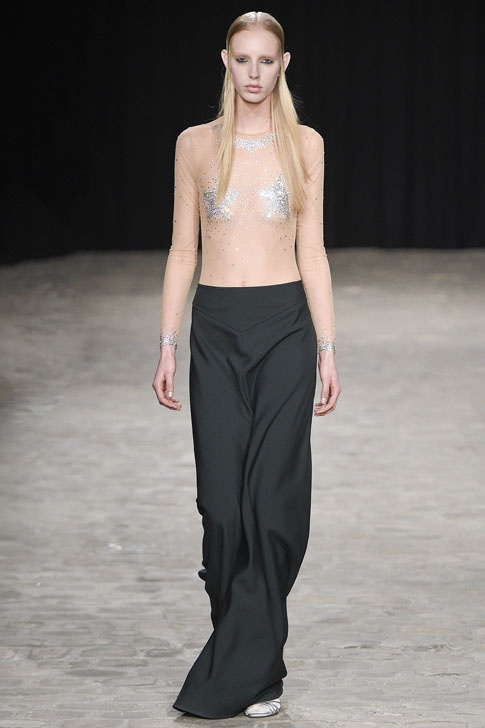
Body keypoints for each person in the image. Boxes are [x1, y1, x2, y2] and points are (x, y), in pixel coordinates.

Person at [152, 9, 340, 720]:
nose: (253, 72)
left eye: (266, 60)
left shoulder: (304, 145)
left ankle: (252, 669)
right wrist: (167, 341)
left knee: (271, 505)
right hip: (216, 334)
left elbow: (311, 250)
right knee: (222, 511)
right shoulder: (195, 145)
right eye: (242, 59)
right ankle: (250, 654)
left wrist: (327, 347)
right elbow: (183, 249)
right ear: (225, 62)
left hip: (286, 331)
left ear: (283, 65)